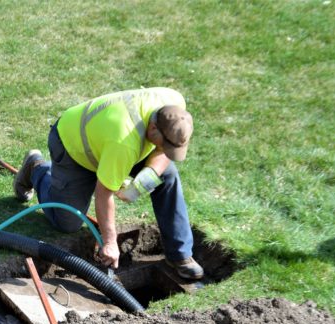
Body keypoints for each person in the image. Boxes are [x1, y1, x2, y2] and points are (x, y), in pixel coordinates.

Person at [14, 87, 204, 280]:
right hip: (74, 147)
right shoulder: (123, 142)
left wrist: (143, 182)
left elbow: (163, 155)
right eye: (165, 145)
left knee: (168, 175)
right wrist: (110, 242)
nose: (166, 150)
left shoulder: (174, 104)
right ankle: (36, 168)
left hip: (108, 142)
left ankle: (180, 254)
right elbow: (103, 193)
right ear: (153, 128)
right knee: (67, 222)